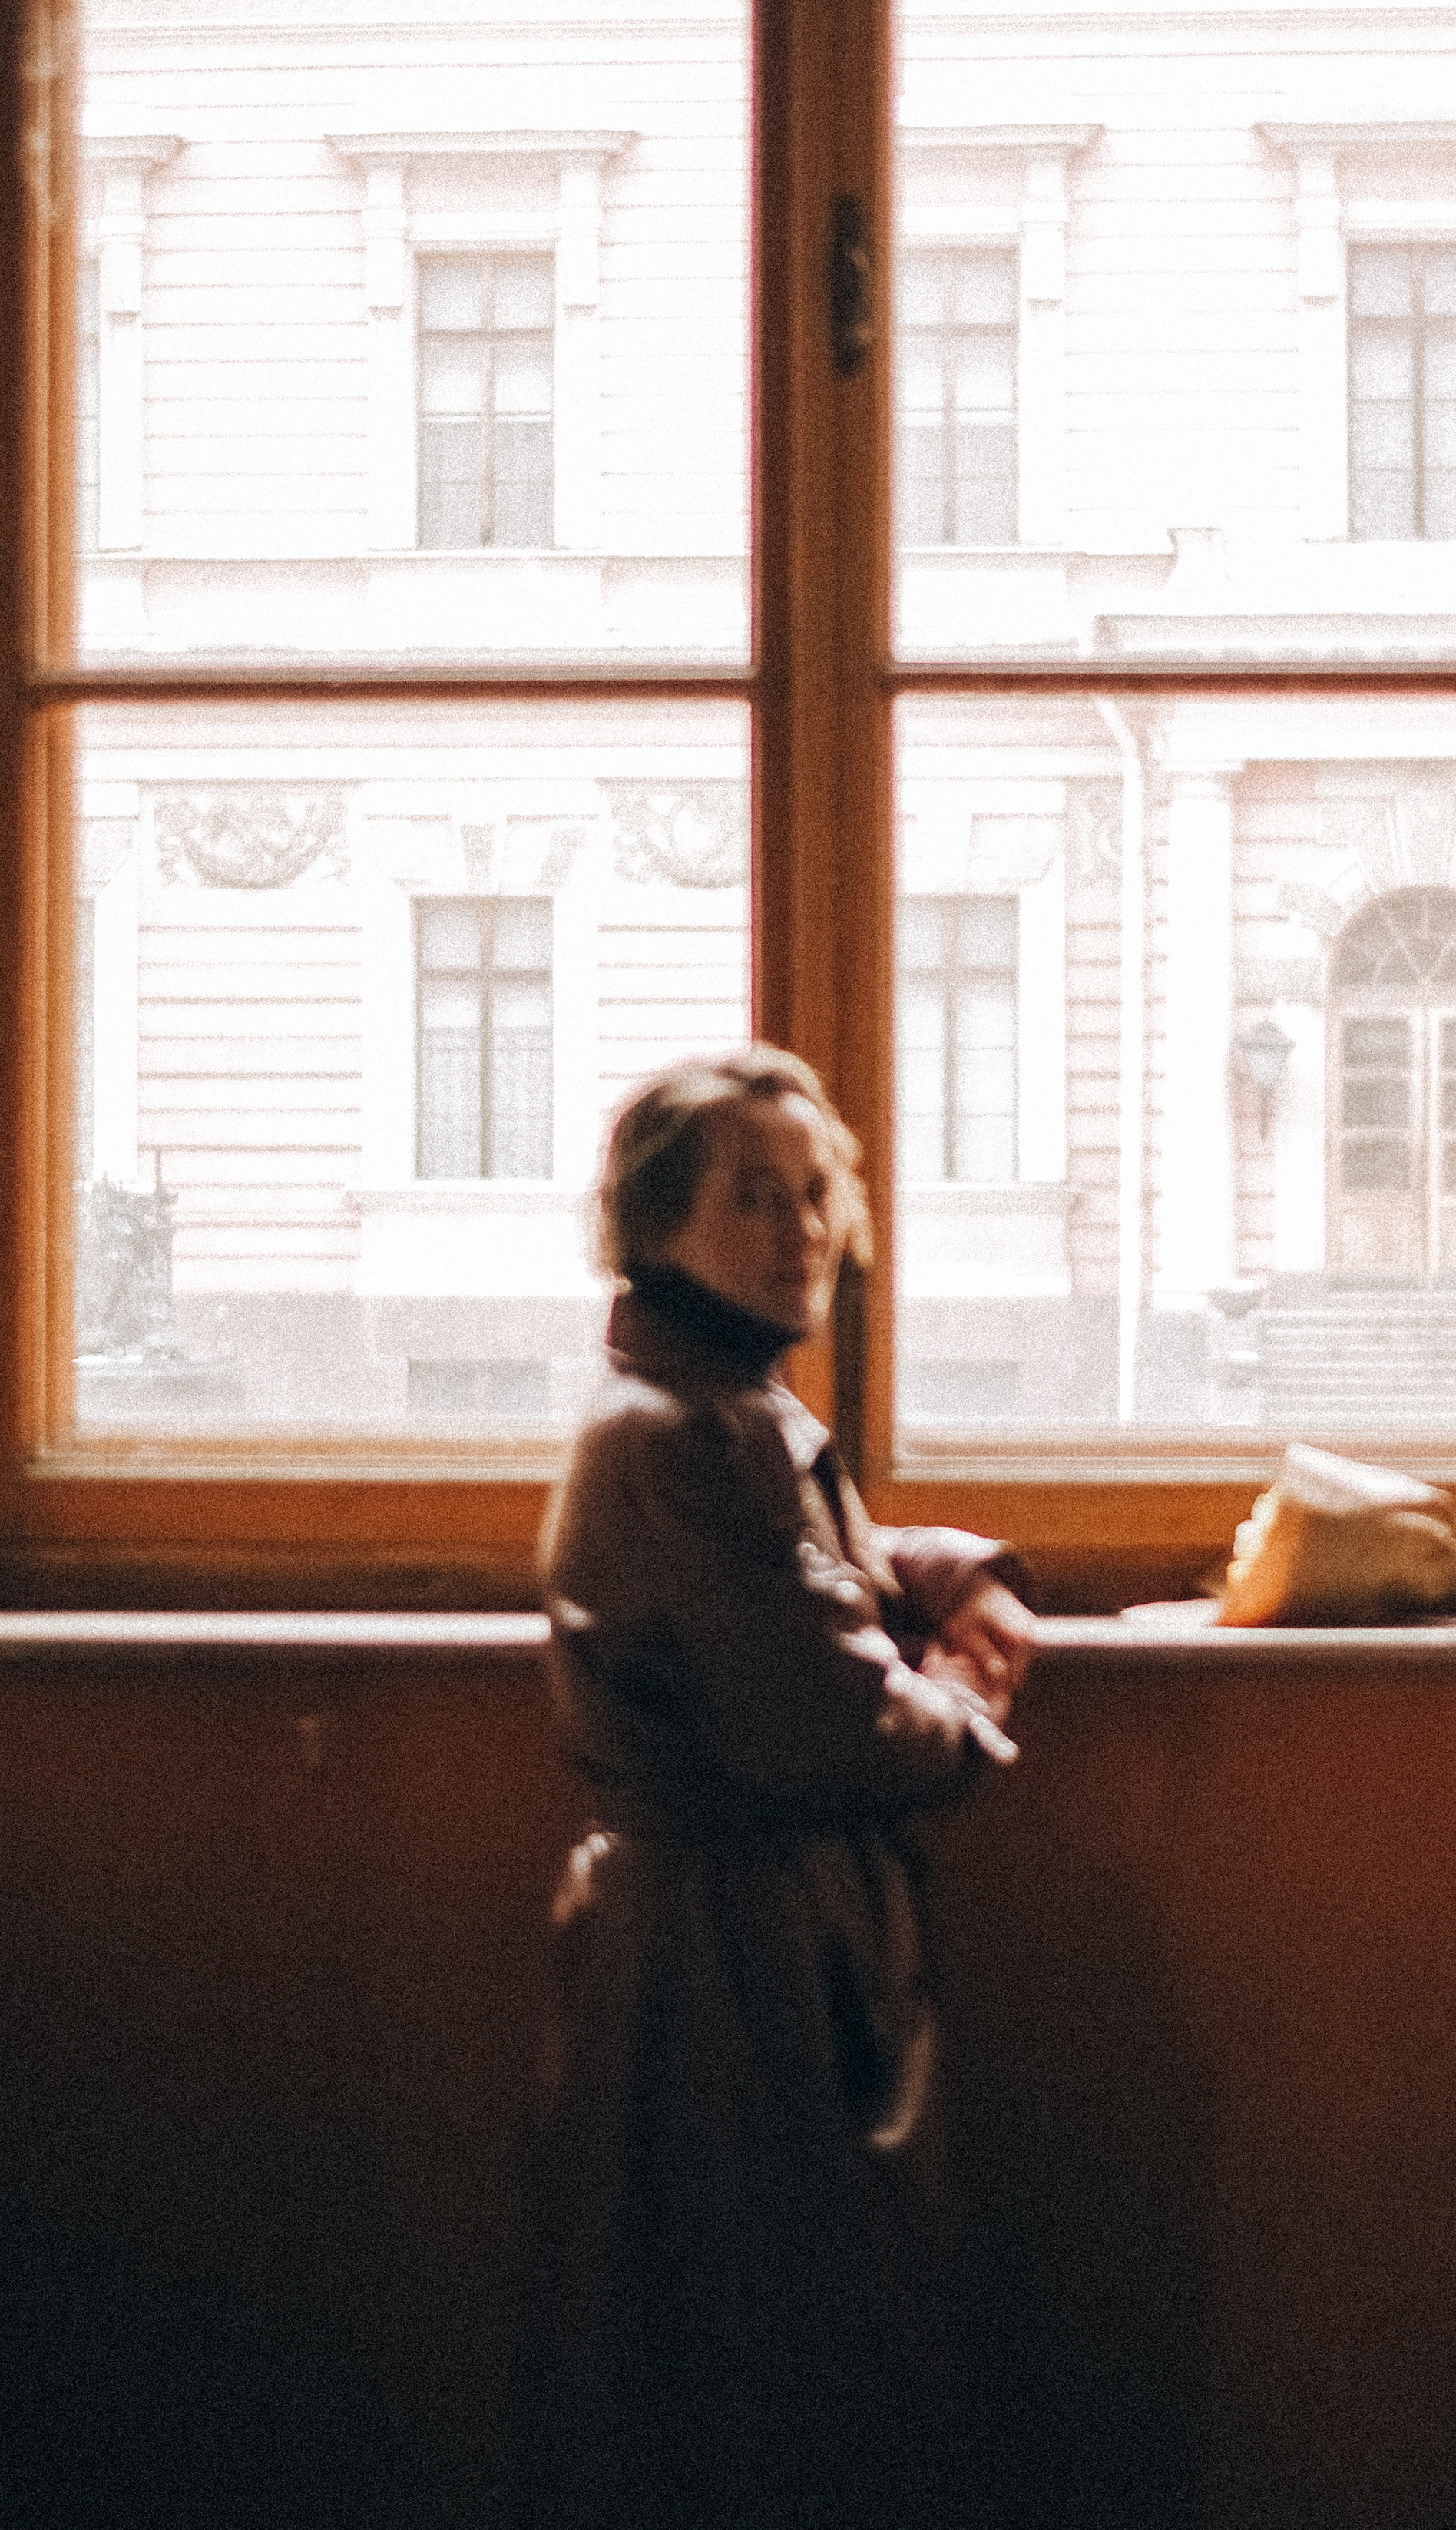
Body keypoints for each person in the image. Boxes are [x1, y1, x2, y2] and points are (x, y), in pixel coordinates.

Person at [518, 1044, 1036, 2530]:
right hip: (721, 1957)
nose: (801, 1226)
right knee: (758, 2380)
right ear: (655, 1222)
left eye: (817, 1192)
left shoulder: (722, 1410)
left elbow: (806, 1572)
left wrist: (949, 1567)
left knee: (774, 2366)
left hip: (754, 1940)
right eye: (754, 1195)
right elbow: (826, 1725)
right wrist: (965, 1701)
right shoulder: (687, 1439)